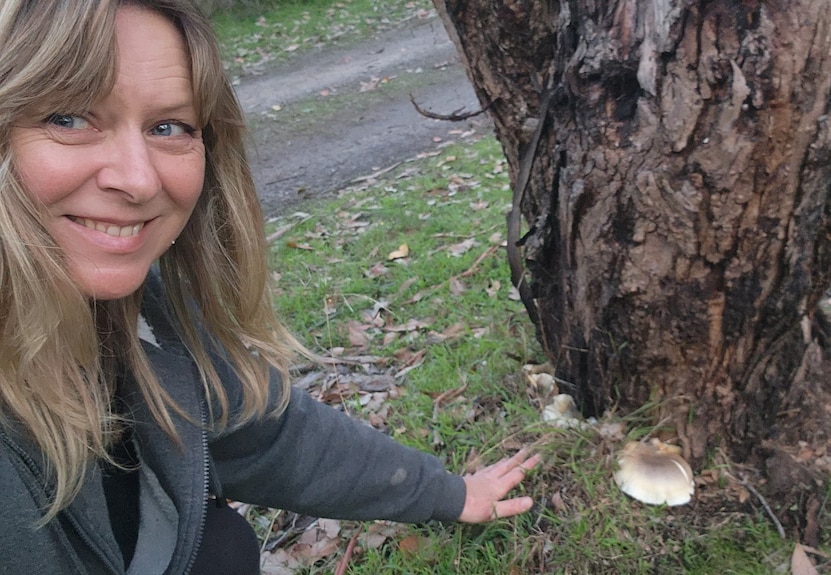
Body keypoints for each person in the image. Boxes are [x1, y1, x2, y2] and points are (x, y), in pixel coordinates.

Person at [0, 1, 541, 573]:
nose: (138, 179)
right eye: (68, 118)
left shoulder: (140, 318)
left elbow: (266, 436)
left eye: (169, 127)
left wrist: (448, 493)